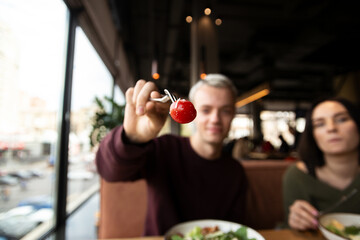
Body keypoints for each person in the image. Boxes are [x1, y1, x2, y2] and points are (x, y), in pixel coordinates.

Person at [95, 74, 247, 235]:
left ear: (233, 115)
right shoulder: (164, 149)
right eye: (206, 110)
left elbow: (235, 229)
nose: (215, 119)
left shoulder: (235, 171)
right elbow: (110, 171)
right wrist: (133, 138)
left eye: (225, 111)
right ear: (192, 110)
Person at [282, 97, 360, 231]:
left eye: (341, 119)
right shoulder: (297, 176)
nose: (331, 128)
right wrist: (296, 220)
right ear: (312, 135)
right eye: (320, 124)